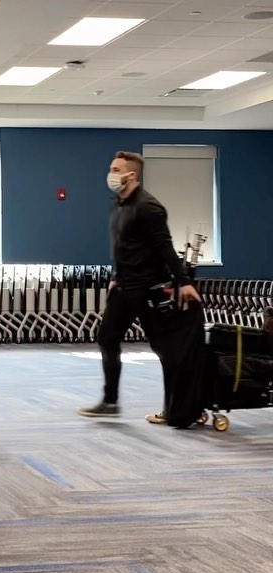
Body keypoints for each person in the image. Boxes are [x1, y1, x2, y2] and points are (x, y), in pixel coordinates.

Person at [79, 150, 201, 421]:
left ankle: (177, 409)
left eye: (115, 170)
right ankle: (110, 402)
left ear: (131, 175)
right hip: (124, 286)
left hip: (148, 288)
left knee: (165, 349)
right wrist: (116, 276)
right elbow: (124, 246)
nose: (110, 175)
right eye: (111, 169)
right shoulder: (119, 204)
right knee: (107, 338)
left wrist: (184, 281)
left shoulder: (149, 207)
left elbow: (165, 248)